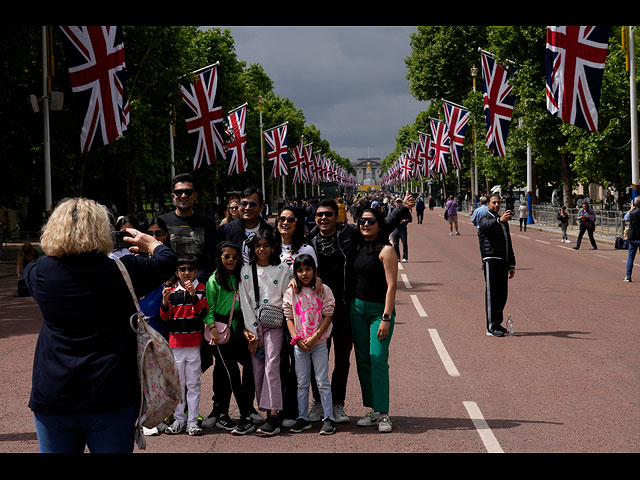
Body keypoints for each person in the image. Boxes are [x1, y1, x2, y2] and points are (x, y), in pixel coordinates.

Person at [23, 197, 177, 453]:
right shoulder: (123, 270)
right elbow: (167, 261)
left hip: (54, 392)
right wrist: (152, 243)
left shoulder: (39, 271)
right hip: (111, 391)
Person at [306, 193, 414, 424]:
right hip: (322, 308)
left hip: (346, 306)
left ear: (338, 217)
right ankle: (320, 402)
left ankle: (340, 404)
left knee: (349, 357)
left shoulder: (351, 235)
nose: (366, 224)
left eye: (328, 214)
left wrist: (403, 209)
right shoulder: (310, 240)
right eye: (320, 215)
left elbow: (381, 224)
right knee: (322, 356)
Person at [203, 241, 261, 435]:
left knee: (250, 366)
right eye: (226, 256)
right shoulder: (214, 280)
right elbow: (208, 310)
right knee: (232, 373)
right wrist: (211, 328)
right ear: (220, 257)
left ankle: (237, 411)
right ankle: (243, 416)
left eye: (235, 257)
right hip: (220, 332)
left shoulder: (240, 277)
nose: (231, 260)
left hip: (239, 330)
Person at [238, 229, 292, 436]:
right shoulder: (246, 270)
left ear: (273, 247)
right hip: (253, 325)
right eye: (258, 245)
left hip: (276, 323)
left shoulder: (282, 269)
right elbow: (245, 302)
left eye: (266, 245)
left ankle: (275, 415)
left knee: (272, 365)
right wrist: (251, 333)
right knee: (258, 367)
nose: (262, 249)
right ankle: (266, 408)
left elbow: (288, 297)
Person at [350, 208, 398, 433]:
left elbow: (392, 286)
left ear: (379, 224)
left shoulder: (387, 250)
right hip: (357, 309)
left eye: (371, 221)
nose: (366, 224)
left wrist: (386, 318)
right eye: (362, 221)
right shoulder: (358, 246)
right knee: (363, 360)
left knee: (378, 358)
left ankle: (384, 413)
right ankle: (373, 409)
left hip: (380, 311)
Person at [274, 205, 317, 427]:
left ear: (297, 223)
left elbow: (316, 282)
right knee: (278, 363)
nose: (285, 222)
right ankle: (276, 410)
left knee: (298, 364)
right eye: (282, 218)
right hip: (273, 313)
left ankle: (295, 410)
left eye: (290, 219)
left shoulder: (306, 249)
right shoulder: (270, 247)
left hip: (299, 316)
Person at [284, 254, 336, 435]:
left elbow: (328, 314)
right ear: (295, 273)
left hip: (319, 343)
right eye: (299, 270)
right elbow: (288, 316)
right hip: (299, 346)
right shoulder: (291, 292)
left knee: (322, 381)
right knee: (301, 382)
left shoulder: (323, 290)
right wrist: (295, 339)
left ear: (315, 271)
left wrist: (315, 336)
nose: (304, 273)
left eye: (308, 269)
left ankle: (329, 418)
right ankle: (302, 418)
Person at [160, 255, 208, 436]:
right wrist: (164, 302)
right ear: (176, 272)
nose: (187, 273)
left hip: (195, 343)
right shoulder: (170, 292)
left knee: (193, 383)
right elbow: (165, 318)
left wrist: (193, 295)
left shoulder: (202, 289)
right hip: (176, 344)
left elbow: (203, 312)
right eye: (183, 269)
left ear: (196, 271)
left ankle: (192, 421)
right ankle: (179, 419)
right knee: (178, 384)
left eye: (190, 269)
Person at [160, 173, 217, 283]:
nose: (183, 195)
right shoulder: (162, 222)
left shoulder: (207, 223)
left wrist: (197, 281)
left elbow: (211, 258)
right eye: (179, 192)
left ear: (195, 196)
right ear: (173, 196)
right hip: (169, 285)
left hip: (200, 286)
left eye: (188, 192)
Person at [478, 194, 516, 337]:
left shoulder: (503, 221)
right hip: (491, 258)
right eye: (494, 203)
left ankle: (497, 323)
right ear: (488, 204)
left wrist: (511, 263)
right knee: (492, 294)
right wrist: (499, 220)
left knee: (502, 294)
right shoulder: (485, 217)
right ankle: (490, 327)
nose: (497, 205)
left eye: (499, 203)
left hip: (503, 260)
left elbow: (508, 242)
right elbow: (485, 226)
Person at [214, 186, 273, 265]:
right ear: (239, 206)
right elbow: (213, 259)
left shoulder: (271, 232)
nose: (247, 208)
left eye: (253, 204)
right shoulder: (224, 231)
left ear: (261, 207)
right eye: (244, 204)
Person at [390, 197, 412, 263]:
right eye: (397, 202)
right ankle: (397, 257)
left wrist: (405, 220)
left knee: (404, 243)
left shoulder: (406, 211)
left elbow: (410, 219)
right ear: (395, 203)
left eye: (400, 202)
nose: (398, 203)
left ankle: (405, 257)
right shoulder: (393, 210)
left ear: (401, 203)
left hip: (403, 228)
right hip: (395, 229)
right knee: (395, 244)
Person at [623, 196, 640, 282]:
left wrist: (630, 210)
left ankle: (628, 276)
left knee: (631, 257)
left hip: (633, 237)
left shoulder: (632, 213)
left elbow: (625, 219)